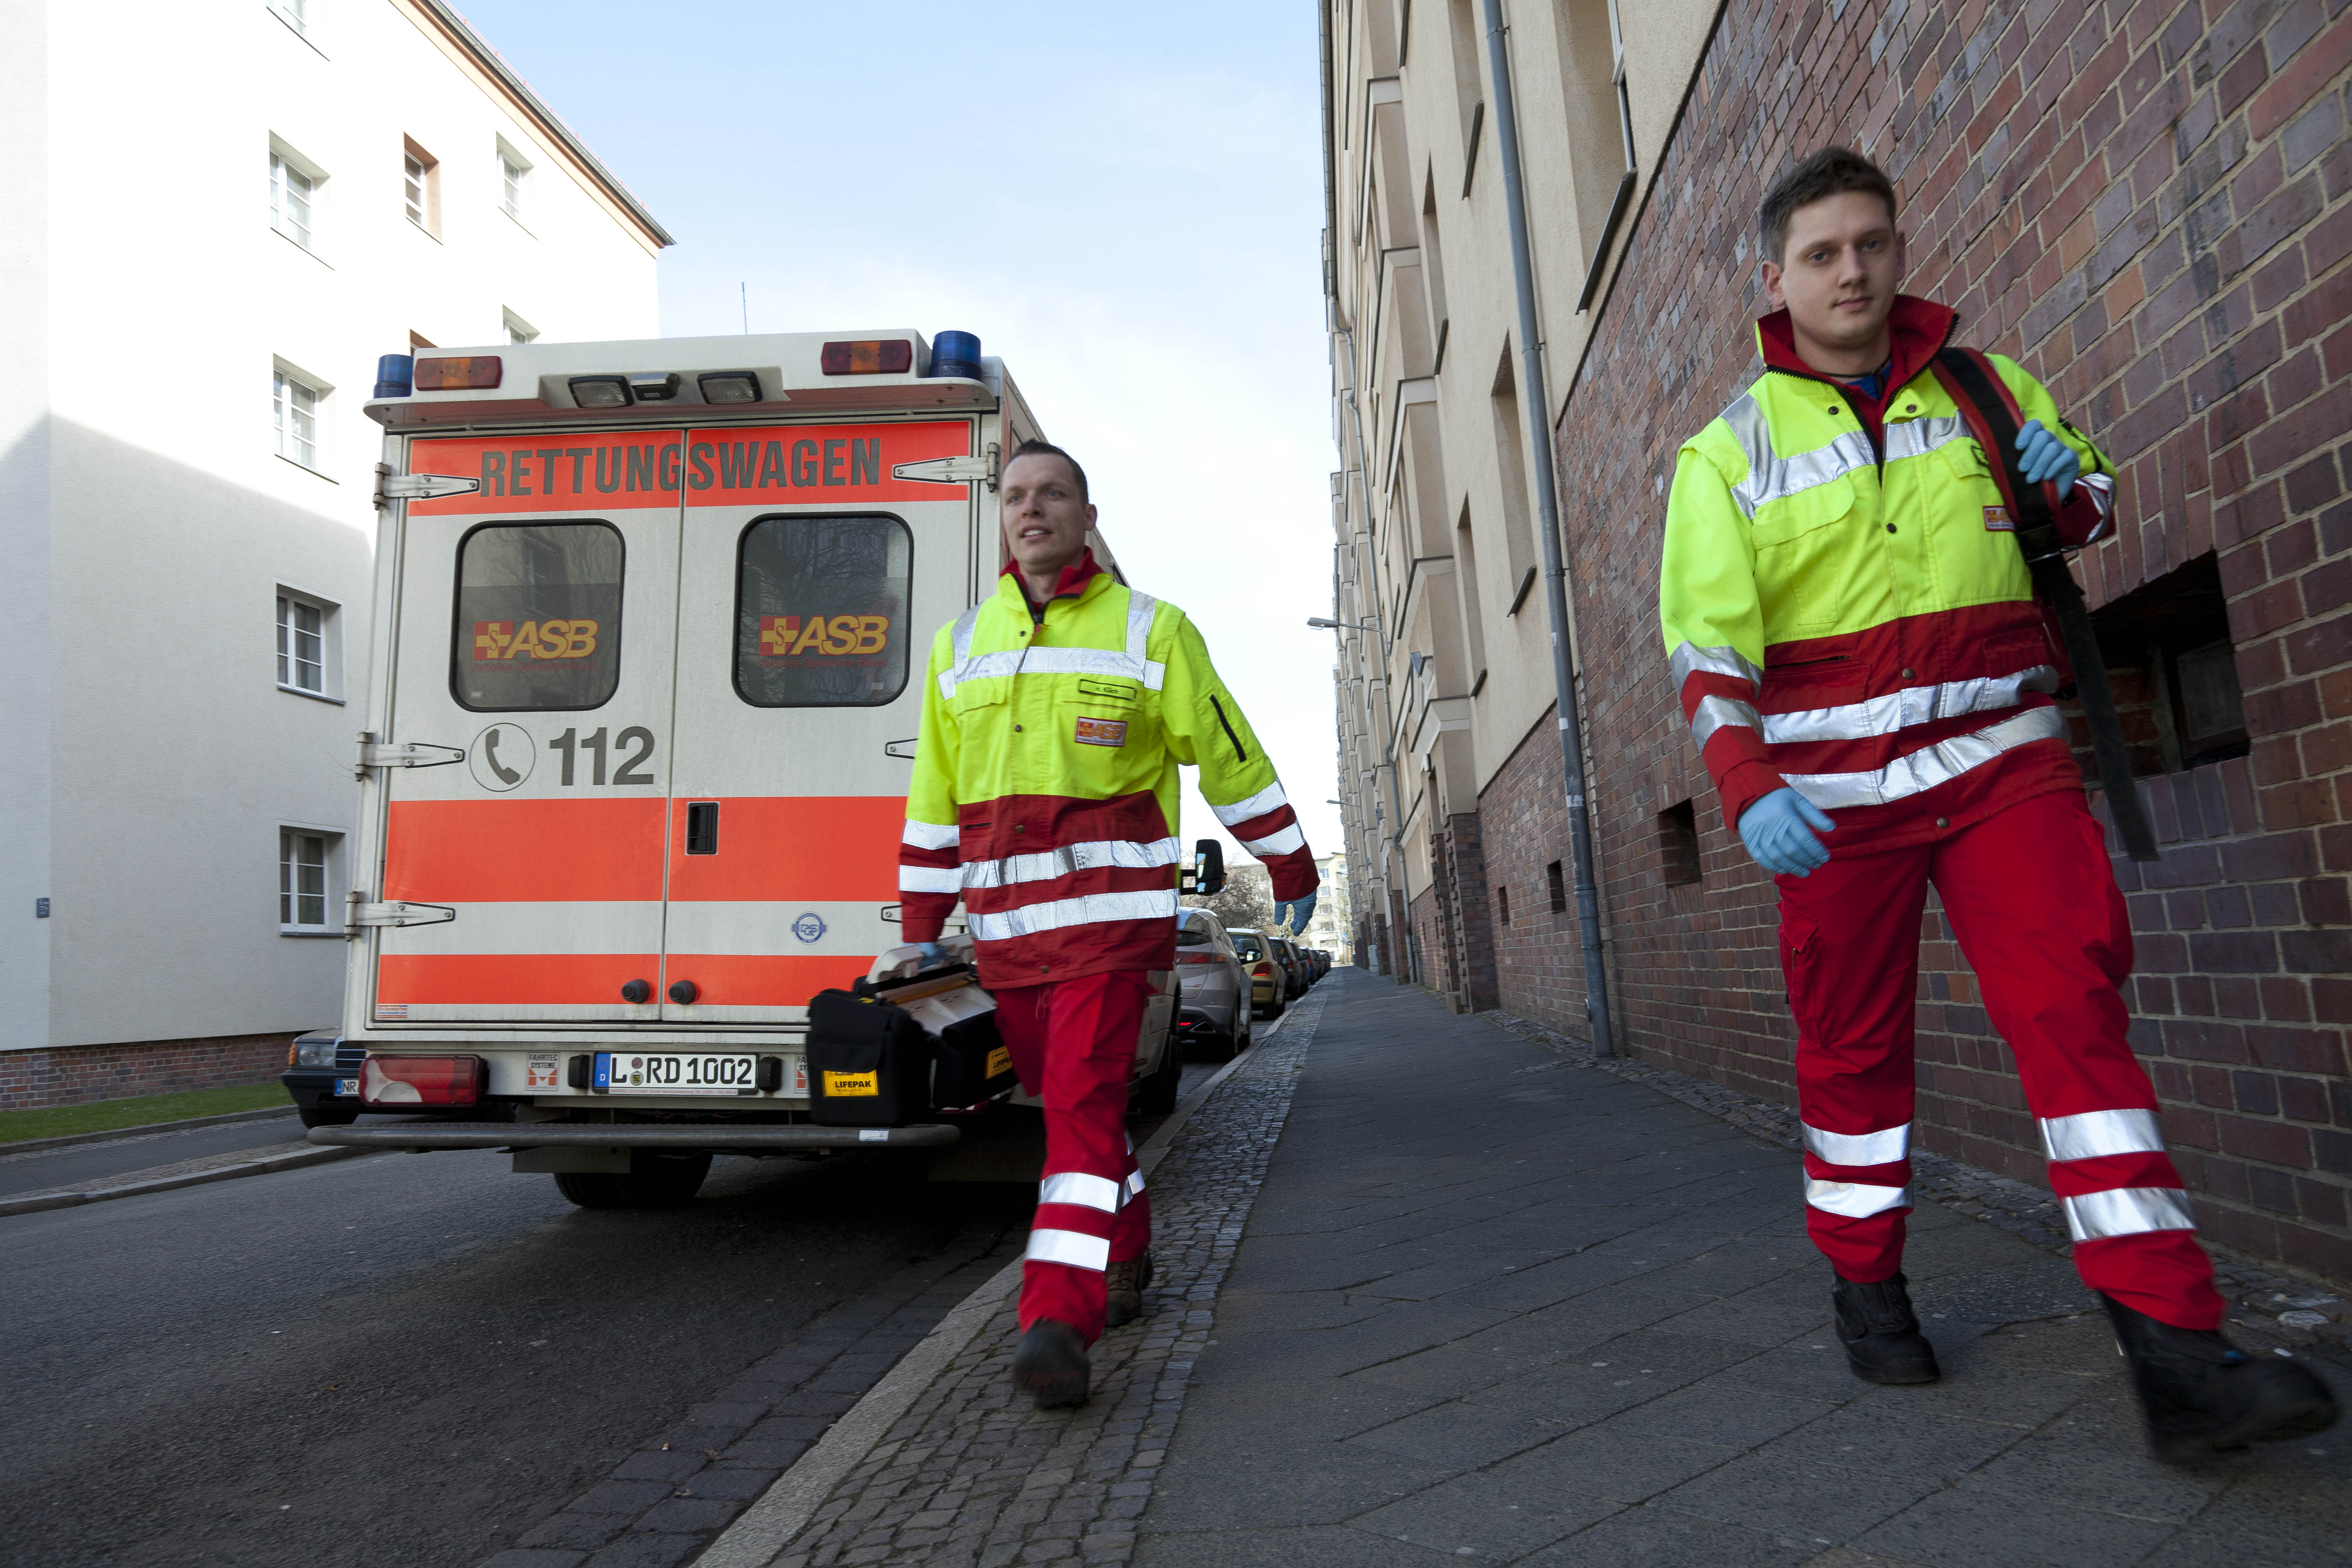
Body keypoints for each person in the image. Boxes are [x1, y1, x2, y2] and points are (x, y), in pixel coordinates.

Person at [1658, 147, 2337, 1460]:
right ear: (1775, 277)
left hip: (2002, 772)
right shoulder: (1725, 453)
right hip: (1833, 805)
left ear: (1897, 249)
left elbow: (2080, 506)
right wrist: (1744, 786)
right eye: (1821, 253)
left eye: (1871, 243)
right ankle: (1868, 1287)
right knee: (1854, 1057)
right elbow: (1707, 652)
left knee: (2076, 1027)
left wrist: (2067, 475)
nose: (1851, 270)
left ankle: (2182, 1360)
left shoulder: (1989, 385)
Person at [896, 439, 1318, 1408]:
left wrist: (1289, 857)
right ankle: (1124, 1249)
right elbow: (934, 793)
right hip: (1008, 940)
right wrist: (922, 918)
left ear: (1089, 519)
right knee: (1072, 1116)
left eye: (1053, 494)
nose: (1031, 509)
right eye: (1014, 497)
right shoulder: (960, 646)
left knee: (1079, 1115)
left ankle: (1059, 1315)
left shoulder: (1151, 630)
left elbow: (1227, 751)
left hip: (1108, 935)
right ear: (1001, 519)